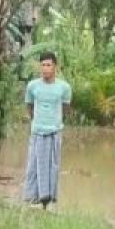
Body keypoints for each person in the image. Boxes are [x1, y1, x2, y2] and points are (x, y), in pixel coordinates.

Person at [22, 52, 71, 209]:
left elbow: (66, 108)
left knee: (52, 166)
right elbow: (29, 106)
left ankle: (50, 200)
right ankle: (33, 198)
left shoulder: (64, 88)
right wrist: (37, 121)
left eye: (48, 65)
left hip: (54, 132)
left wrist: (54, 122)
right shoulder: (32, 86)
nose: (45, 68)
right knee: (34, 165)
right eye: (42, 65)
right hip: (37, 132)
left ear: (55, 67)